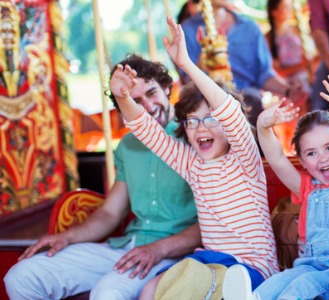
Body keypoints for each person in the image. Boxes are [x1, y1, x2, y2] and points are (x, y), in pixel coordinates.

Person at [4, 54, 200, 299]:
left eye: (152, 93)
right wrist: (66, 236)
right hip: (127, 246)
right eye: (135, 101)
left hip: (175, 253)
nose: (148, 107)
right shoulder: (128, 146)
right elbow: (110, 213)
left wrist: (158, 249)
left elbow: (213, 221)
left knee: (107, 293)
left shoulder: (195, 138)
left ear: (168, 88)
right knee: (22, 276)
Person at [108, 17, 278, 299]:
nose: (201, 128)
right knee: (151, 289)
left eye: (211, 119)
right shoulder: (191, 164)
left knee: (202, 284)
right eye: (192, 122)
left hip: (252, 267)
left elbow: (230, 111)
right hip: (208, 262)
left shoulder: (245, 159)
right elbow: (149, 132)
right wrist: (122, 97)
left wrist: (186, 63)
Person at [221, 72, 329, 300]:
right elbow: (276, 158)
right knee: (280, 281)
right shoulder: (306, 187)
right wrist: (263, 126)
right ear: (302, 162)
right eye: (312, 153)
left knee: (303, 285)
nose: (323, 158)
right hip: (309, 265)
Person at [180, 0, 305, 127]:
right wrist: (204, 56)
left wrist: (288, 91)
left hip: (247, 97)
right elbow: (188, 82)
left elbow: (264, 75)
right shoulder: (188, 29)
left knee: (251, 102)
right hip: (208, 100)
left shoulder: (249, 27)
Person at [266, 0, 312, 95]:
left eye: (289, 7)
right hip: (285, 81)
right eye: (285, 8)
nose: (290, 10)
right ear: (274, 12)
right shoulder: (268, 38)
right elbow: (274, 71)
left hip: (303, 77)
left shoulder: (297, 29)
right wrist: (300, 66)